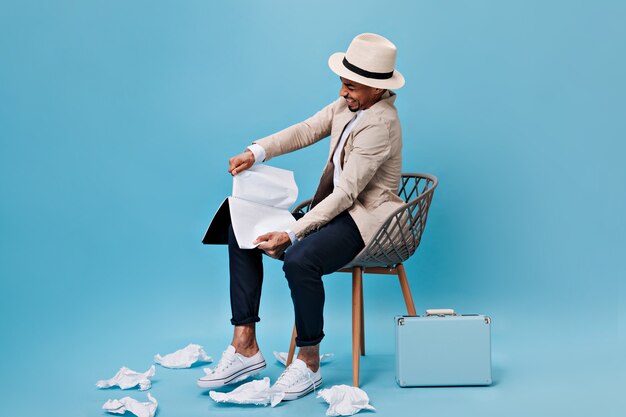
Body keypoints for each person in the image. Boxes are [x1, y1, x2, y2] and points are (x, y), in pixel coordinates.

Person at [198, 33, 405, 400]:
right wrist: (256, 152)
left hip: (366, 221)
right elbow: (307, 129)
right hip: (331, 210)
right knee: (238, 222)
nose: (343, 92)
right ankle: (245, 343)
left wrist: (293, 233)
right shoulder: (350, 105)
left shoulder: (381, 124)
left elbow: (346, 196)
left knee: (299, 259)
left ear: (375, 88)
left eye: (351, 86)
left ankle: (309, 361)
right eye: (343, 83)